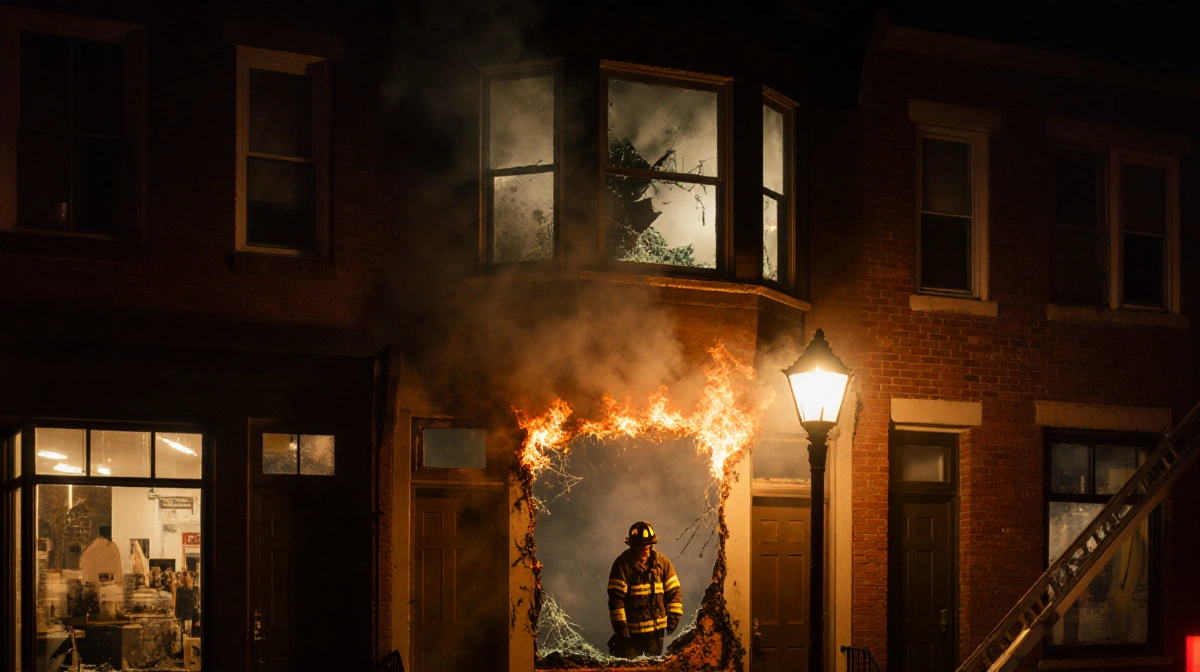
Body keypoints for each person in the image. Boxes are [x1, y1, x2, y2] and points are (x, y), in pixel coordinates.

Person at [606, 521, 683, 658]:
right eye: (641, 546)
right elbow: (616, 598)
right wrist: (620, 624)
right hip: (630, 635)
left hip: (655, 633)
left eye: (647, 546)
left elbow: (674, 591)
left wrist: (674, 616)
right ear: (632, 545)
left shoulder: (663, 563)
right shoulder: (622, 565)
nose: (645, 549)